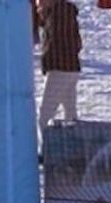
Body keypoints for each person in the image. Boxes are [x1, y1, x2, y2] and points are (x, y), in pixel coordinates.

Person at [37, 0, 83, 130]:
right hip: (69, 67)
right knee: (70, 115)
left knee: (45, 114)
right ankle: (74, 144)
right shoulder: (61, 12)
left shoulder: (60, 12)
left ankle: (38, 147)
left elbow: (58, 41)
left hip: (60, 67)